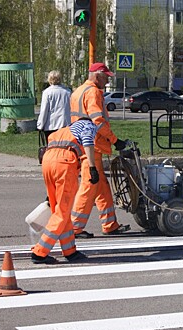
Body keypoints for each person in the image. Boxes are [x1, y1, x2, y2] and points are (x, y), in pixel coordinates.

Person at [70, 62, 130, 239]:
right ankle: (74, 228)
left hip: (82, 143)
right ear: (97, 76)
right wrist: (115, 140)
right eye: (105, 77)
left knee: (101, 186)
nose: (107, 81)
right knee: (89, 186)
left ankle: (110, 224)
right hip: (92, 145)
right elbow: (98, 120)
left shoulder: (78, 91)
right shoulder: (93, 92)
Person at [31, 118, 99, 264]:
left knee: (61, 208)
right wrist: (92, 167)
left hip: (47, 161)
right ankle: (40, 252)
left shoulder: (65, 129)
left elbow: (50, 140)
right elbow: (87, 141)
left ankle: (69, 251)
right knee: (62, 211)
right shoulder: (89, 125)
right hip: (65, 162)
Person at [37, 70, 71, 140]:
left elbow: (44, 110)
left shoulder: (47, 92)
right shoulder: (67, 92)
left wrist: (40, 125)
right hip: (65, 124)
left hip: (51, 125)